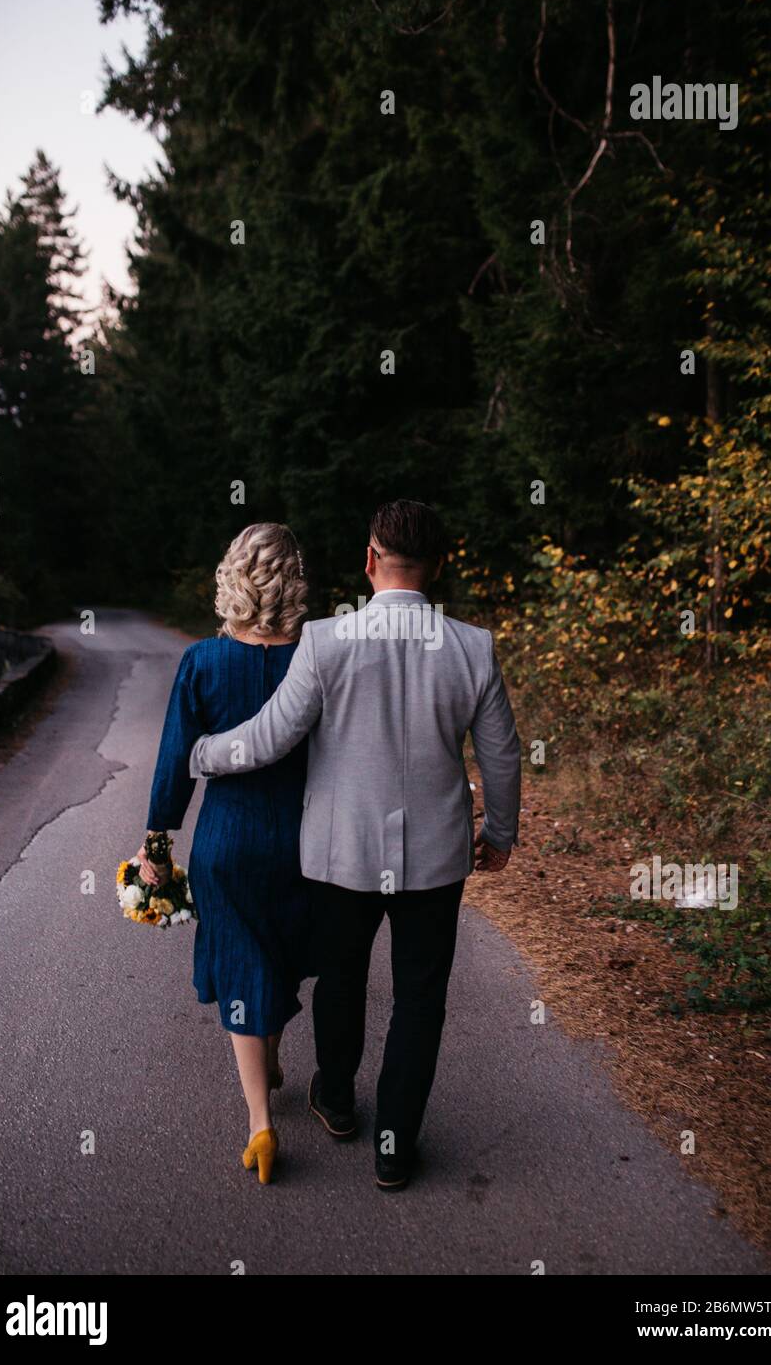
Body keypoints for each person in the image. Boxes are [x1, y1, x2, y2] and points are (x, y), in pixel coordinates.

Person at [190, 499, 521, 1190]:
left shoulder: (327, 641)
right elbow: (503, 759)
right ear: (439, 566)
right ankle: (395, 1149)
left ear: (370, 561)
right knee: (420, 997)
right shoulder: (473, 647)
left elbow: (271, 735)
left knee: (343, 978)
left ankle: (336, 1100)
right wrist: (499, 834)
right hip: (435, 858)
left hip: (342, 855)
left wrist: (202, 753)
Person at [137, 523, 311, 1186]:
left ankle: (260, 1122)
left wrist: (157, 839)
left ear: (232, 576)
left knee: (243, 965)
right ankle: (269, 1058)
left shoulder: (202, 664)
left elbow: (175, 760)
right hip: (302, 841)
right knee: (283, 955)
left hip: (226, 841)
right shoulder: (316, 656)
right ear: (294, 577)